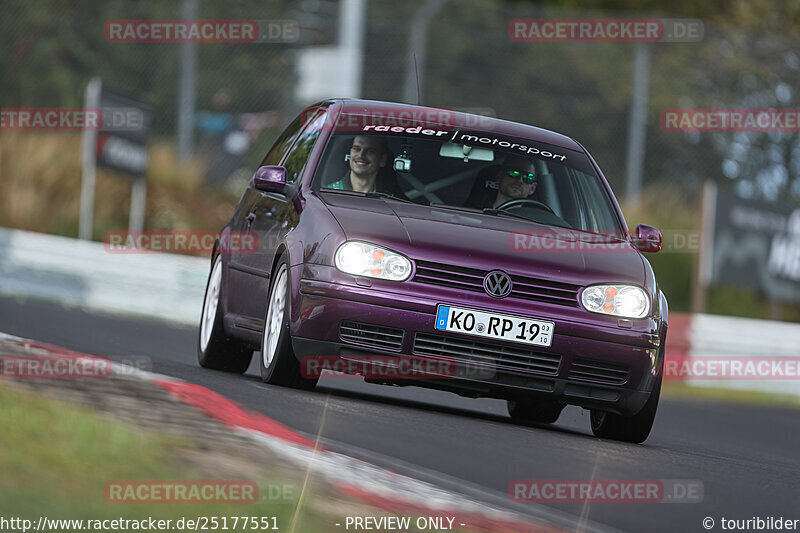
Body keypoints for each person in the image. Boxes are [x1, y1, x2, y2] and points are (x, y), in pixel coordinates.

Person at [326, 135, 404, 197]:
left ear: (382, 160)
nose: (361, 155)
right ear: (350, 153)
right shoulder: (328, 194)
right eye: (356, 149)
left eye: (370, 151)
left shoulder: (390, 201)